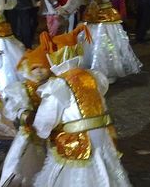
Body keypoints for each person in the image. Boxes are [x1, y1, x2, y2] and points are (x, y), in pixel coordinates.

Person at [32, 25, 132, 187]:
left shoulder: (59, 84)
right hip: (102, 132)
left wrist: (39, 130)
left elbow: (47, 117)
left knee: (75, 172)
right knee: (103, 165)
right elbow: (101, 92)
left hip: (79, 137)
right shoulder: (93, 76)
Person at [58, 0, 141, 83]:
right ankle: (91, 69)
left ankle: (107, 71)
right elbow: (75, 0)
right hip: (90, 18)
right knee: (90, 44)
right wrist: (65, 10)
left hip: (106, 17)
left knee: (106, 43)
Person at [0, 40, 52, 186]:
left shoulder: (54, 86)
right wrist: (24, 114)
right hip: (29, 132)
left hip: (52, 132)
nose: (39, 71)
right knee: (23, 159)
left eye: (43, 67)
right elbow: (14, 107)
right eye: (34, 68)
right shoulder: (21, 88)